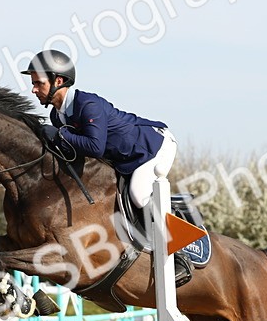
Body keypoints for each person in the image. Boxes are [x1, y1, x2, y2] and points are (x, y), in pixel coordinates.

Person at [21, 50, 177, 210]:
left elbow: (95, 147)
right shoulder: (56, 115)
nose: (33, 90)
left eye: (39, 83)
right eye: (33, 84)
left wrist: (60, 136)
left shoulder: (88, 105)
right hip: (124, 159)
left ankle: (183, 223)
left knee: (138, 196)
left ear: (58, 81)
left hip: (152, 147)